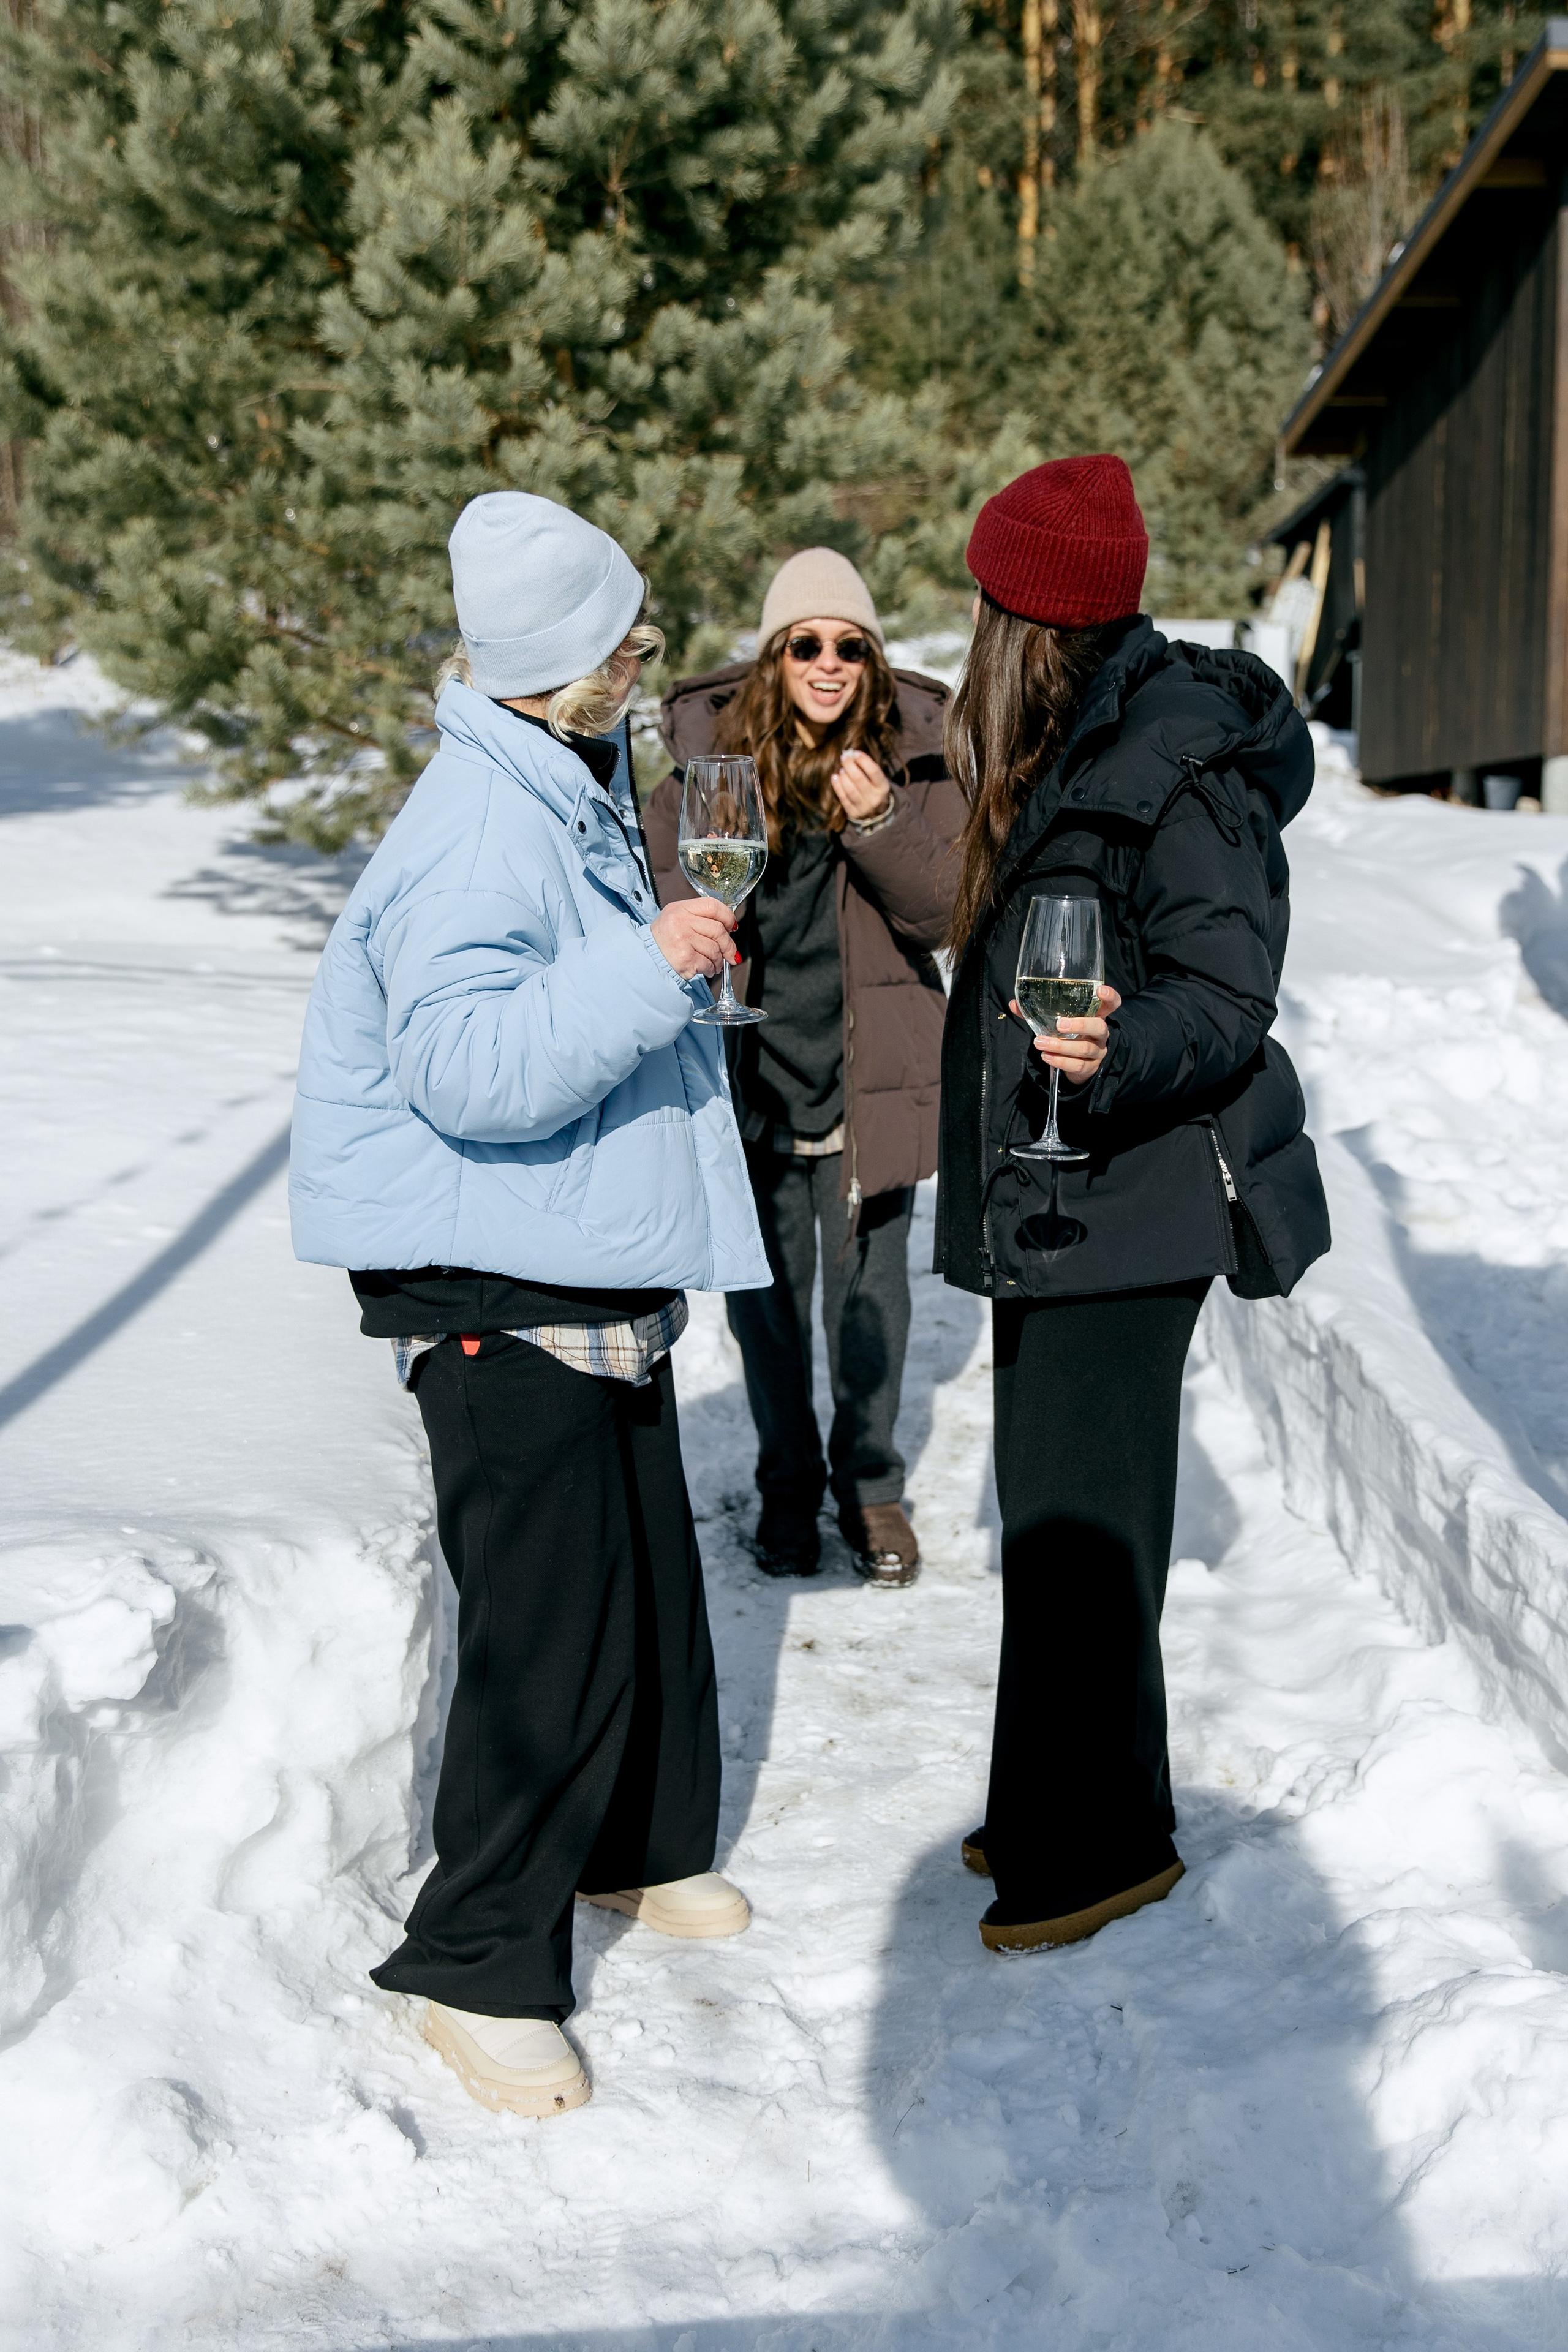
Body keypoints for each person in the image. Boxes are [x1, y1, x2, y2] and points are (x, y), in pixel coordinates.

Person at [290, 491, 771, 2118]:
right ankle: (477, 1963)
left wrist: (662, 947)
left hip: (577, 1254)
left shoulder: (558, 784)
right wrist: (656, 964)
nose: (649, 655)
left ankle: (625, 1849)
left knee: (637, 1588)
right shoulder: (478, 824)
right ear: (553, 660)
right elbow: (473, 1066)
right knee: (543, 1630)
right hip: (496, 1276)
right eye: (626, 637)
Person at [936, 456, 1330, 1955]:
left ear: (1029, 620)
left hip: (1132, 1200)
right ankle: (1043, 1801)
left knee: (1086, 1539)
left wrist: (1112, 1049)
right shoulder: (1077, 732)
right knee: (1047, 1519)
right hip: (1063, 1199)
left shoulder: (1176, 757)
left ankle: (1103, 1845)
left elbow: (1227, 998)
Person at [646, 551, 966, 1587]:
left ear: (872, 659)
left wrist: (879, 822)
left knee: (870, 1306)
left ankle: (869, 1489)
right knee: (771, 1309)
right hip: (756, 1081)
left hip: (873, 1083)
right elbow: (655, 894)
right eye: (805, 644)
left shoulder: (919, 763)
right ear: (773, 657)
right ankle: (789, 1488)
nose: (827, 664)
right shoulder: (707, 766)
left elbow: (946, 913)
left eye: (849, 645)